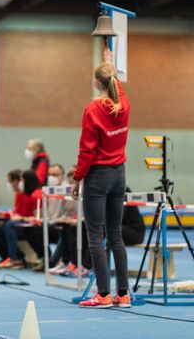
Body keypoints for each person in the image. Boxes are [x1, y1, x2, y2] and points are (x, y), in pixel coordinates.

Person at [71, 48, 130, 308]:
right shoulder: (123, 104)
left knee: (95, 236)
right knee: (115, 234)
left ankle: (104, 294)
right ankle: (124, 294)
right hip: (119, 174)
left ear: (97, 83)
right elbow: (117, 86)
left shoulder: (93, 108)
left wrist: (76, 178)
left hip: (99, 175)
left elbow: (87, 150)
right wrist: (108, 62)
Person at [0, 170, 41, 269]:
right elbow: (17, 212)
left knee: (8, 225)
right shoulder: (20, 194)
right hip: (23, 222)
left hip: (30, 225)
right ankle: (7, 256)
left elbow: (36, 217)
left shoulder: (35, 195)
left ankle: (15, 259)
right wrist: (6, 215)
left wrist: (20, 217)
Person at [0, 169, 23, 263]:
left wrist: (10, 216)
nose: (8, 184)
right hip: (16, 220)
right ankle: (4, 256)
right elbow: (16, 212)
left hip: (22, 222)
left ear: (16, 181)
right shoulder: (17, 194)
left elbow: (23, 214)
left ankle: (15, 257)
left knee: (3, 227)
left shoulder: (24, 194)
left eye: (9, 181)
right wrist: (5, 215)